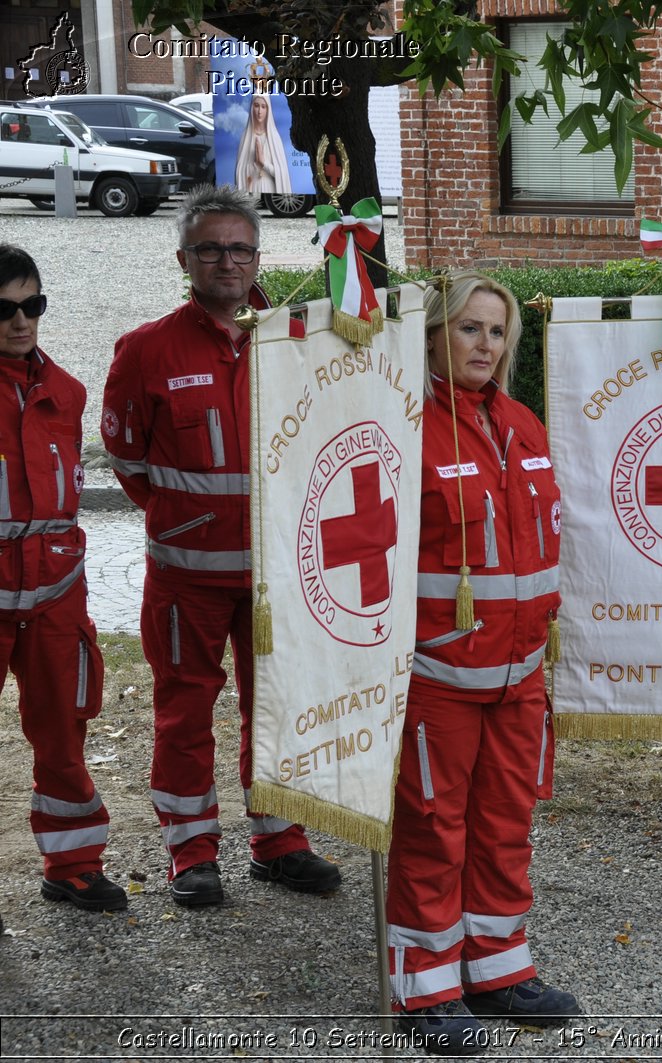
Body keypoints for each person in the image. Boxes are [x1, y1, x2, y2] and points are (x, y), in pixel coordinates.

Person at [102, 185, 341, 906]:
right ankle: (193, 851)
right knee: (184, 713)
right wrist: (187, 522)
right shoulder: (146, 350)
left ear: (258, 256)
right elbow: (129, 460)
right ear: (185, 259)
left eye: (240, 248)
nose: (227, 262)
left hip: (277, 576)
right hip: (188, 579)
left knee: (280, 706)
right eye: (211, 249)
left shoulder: (297, 339)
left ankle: (280, 839)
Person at [386, 271, 578, 1055]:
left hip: (519, 674)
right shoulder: (404, 423)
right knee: (435, 829)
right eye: (469, 329)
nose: (485, 345)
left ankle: (498, 967)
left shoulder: (524, 424)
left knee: (506, 823)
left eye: (497, 332)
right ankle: (425, 988)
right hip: (441, 678)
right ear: (433, 332)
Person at [0, 245, 121, 912]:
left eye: (33, 305)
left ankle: (72, 863)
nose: (22, 322)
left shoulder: (66, 392)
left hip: (52, 596)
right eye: (5, 309)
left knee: (64, 730)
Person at [233, 93, 291, 195]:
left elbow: (282, 173)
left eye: (263, 107)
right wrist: (252, 167)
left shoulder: (274, 137)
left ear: (268, 110)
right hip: (251, 186)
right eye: (256, 106)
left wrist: (263, 163)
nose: (259, 111)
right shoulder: (246, 137)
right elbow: (240, 170)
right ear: (251, 108)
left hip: (270, 188)